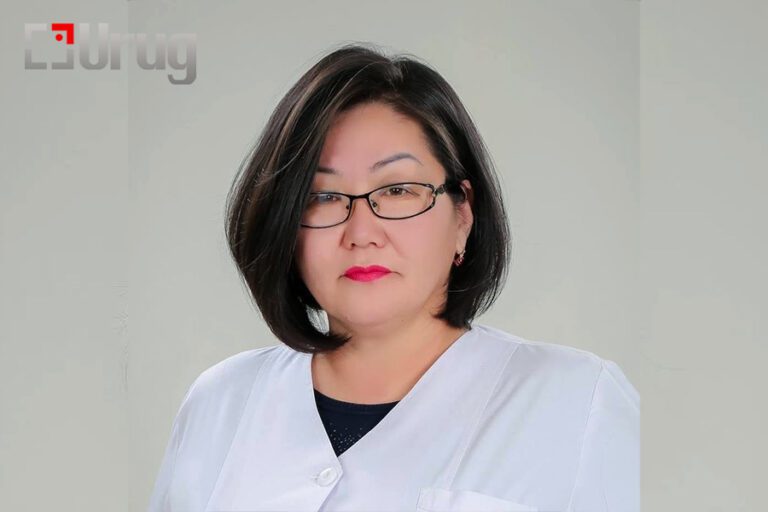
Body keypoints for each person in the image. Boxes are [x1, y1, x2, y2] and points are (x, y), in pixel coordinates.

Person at [146, 43, 639, 512]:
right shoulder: (220, 403)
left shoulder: (578, 403)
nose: (362, 233)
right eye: (323, 197)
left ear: (463, 214)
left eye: (399, 190)